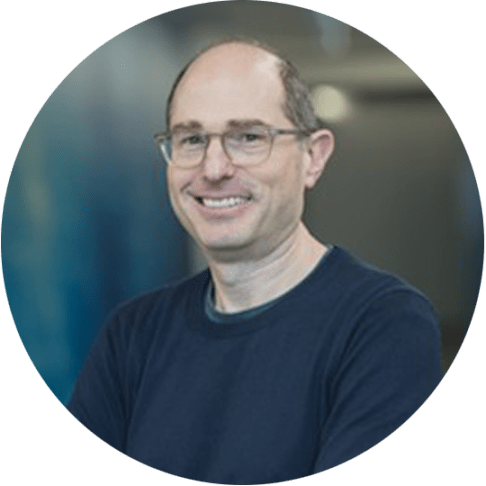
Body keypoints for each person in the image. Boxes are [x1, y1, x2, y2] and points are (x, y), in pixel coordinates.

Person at [67, 39, 442, 484]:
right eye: (191, 139)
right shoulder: (131, 336)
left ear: (313, 157)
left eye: (247, 137)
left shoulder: (383, 325)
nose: (213, 169)